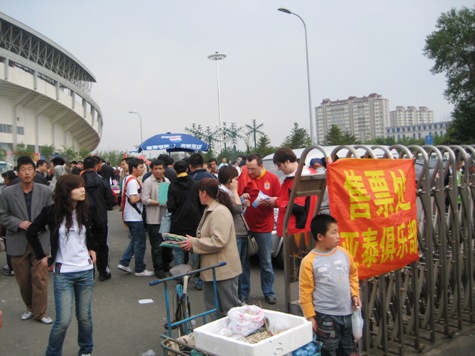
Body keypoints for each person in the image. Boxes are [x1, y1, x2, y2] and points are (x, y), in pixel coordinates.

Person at [26, 174, 97, 356]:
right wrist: (42, 256)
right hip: (63, 273)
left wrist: (92, 248)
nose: (82, 190)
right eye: (77, 187)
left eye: (83, 186)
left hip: (85, 271)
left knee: (84, 318)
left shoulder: (87, 210)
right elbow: (32, 232)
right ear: (66, 191)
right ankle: (53, 353)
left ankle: (86, 351)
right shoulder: (52, 212)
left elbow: (94, 231)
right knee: (63, 321)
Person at [0, 156, 53, 324]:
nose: (27, 173)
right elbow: (2, 215)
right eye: (23, 170)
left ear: (34, 170)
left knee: (40, 278)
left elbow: (52, 214)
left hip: (40, 239)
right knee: (23, 280)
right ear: (18, 172)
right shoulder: (7, 192)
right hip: (17, 240)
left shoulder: (45, 191)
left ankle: (40, 312)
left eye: (30, 169)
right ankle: (30, 307)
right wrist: (19, 223)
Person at [299, 214, 362, 356]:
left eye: (337, 232)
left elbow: (353, 274)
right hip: (325, 316)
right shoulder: (309, 261)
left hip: (348, 313)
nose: (338, 236)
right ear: (320, 236)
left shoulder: (344, 253)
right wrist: (310, 316)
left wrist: (355, 294)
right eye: (333, 233)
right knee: (328, 350)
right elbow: (305, 292)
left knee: (349, 349)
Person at [180, 178, 243, 316]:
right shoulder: (211, 209)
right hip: (212, 269)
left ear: (204, 193)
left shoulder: (219, 211)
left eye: (199, 193)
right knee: (214, 308)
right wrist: (193, 242)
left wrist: (194, 243)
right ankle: (218, 335)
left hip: (223, 270)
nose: (198, 195)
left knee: (231, 309)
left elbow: (219, 240)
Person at [238, 153, 280, 304]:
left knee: (266, 261)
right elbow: (237, 196)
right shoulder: (244, 177)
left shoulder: (272, 179)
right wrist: (243, 196)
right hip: (246, 226)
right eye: (248, 168)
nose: (250, 172)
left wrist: (272, 202)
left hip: (264, 226)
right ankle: (243, 293)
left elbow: (280, 200)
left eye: (253, 169)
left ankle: (269, 291)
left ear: (261, 166)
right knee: (244, 262)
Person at [218, 166, 250, 303]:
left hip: (239, 232)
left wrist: (241, 200)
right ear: (230, 180)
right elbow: (237, 209)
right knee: (237, 268)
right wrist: (236, 192)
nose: (238, 182)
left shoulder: (227, 193)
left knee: (242, 266)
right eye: (236, 179)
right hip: (235, 234)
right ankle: (237, 298)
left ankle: (241, 295)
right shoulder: (223, 193)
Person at [118, 157, 154, 277]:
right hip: (134, 216)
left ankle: (124, 262)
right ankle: (139, 269)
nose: (143, 169)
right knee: (140, 243)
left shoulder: (128, 179)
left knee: (135, 240)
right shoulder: (132, 181)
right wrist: (144, 195)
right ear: (134, 168)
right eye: (140, 167)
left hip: (131, 215)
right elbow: (133, 199)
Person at [167, 160, 201, 282]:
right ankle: (198, 280)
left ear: (175, 171)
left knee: (179, 252)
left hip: (178, 223)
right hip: (195, 223)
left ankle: (181, 279)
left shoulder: (172, 185)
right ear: (187, 169)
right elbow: (201, 203)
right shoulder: (196, 184)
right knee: (196, 252)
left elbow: (170, 206)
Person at [81, 156, 115, 281]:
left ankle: (88, 272)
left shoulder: (78, 180)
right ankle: (103, 272)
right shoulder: (101, 180)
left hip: (82, 218)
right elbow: (110, 200)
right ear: (96, 166)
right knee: (102, 246)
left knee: (84, 245)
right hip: (100, 218)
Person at [273, 147, 317, 237]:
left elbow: (297, 206)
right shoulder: (311, 174)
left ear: (287, 162)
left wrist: (277, 202)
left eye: (279, 165)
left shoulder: (297, 179)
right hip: (309, 226)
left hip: (295, 229)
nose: (279, 169)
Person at [142, 159, 172, 278]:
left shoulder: (167, 181)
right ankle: (158, 269)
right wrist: (158, 202)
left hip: (166, 217)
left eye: (160, 168)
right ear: (151, 169)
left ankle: (166, 265)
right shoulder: (148, 182)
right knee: (156, 246)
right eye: (156, 169)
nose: (158, 171)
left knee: (167, 244)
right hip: (153, 218)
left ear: (164, 169)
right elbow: (144, 199)